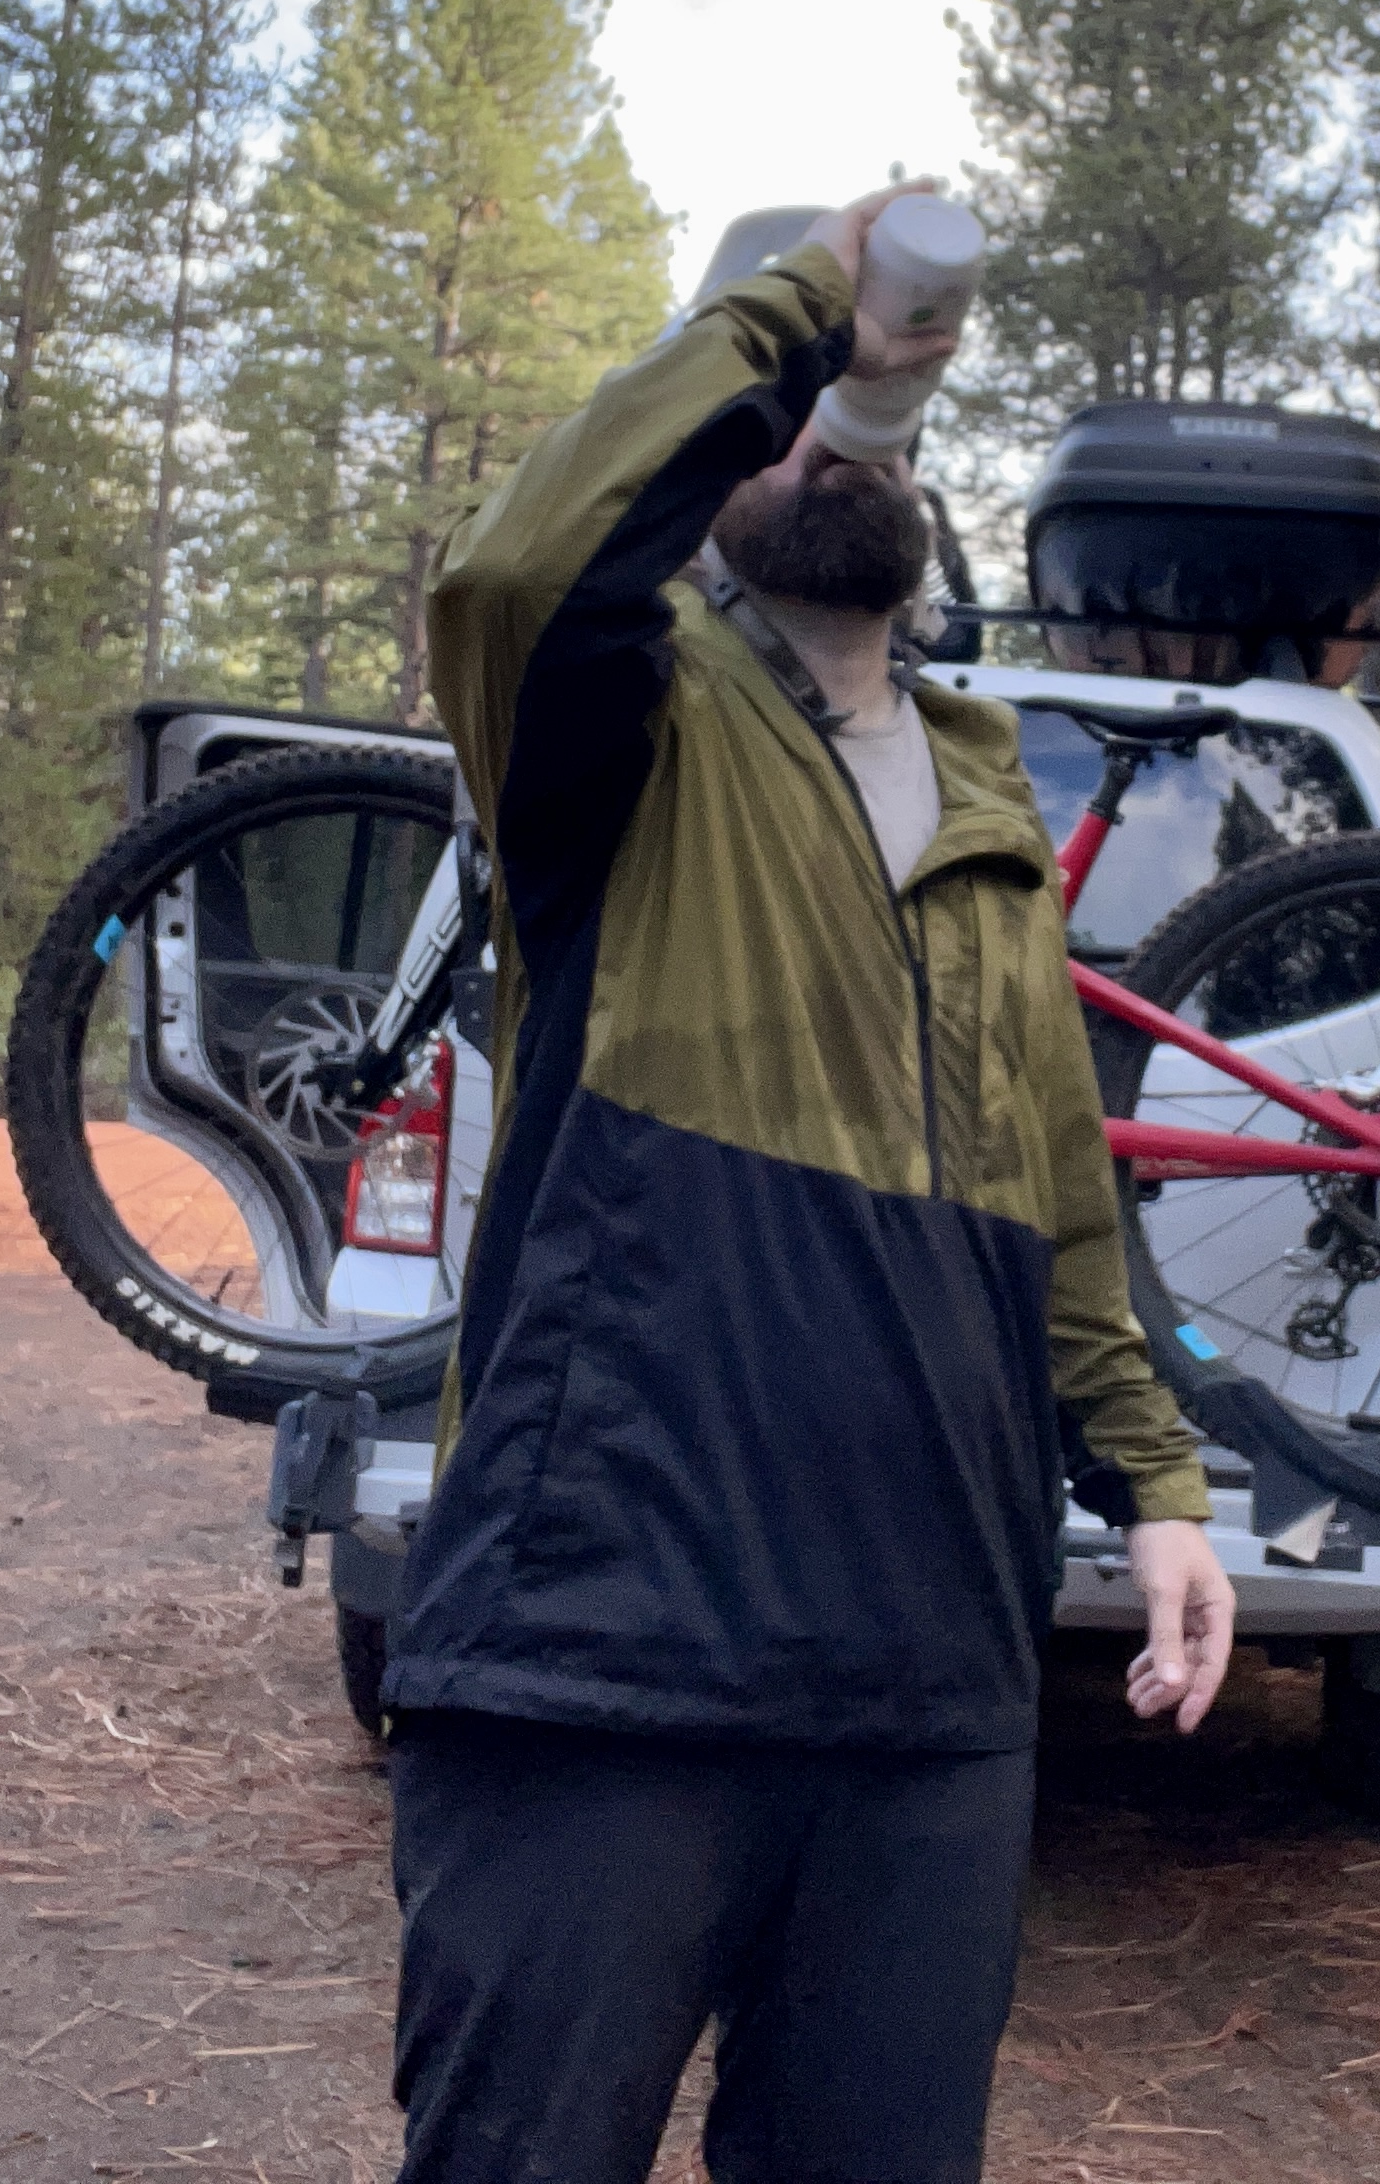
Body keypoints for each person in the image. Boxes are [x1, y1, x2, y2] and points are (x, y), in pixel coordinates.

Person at [386, 185, 1234, 2184]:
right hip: (606, 1656)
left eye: (855, 415)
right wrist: (795, 319)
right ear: (706, 469)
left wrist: (1162, 1488)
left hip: (933, 1691)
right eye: (763, 419)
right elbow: (516, 572)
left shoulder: (992, 805)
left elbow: (1052, 1213)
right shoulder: (619, 727)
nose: (822, 450)